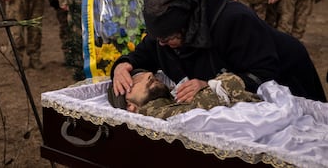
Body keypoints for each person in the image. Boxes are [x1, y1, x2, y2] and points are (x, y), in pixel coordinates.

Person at [110, 0, 327, 103]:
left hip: (286, 75)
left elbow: (264, 73)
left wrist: (211, 85)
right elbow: (143, 54)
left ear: (189, 27)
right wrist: (123, 64)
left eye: (167, 39)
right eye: (158, 39)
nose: (162, 45)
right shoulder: (165, 33)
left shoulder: (235, 21)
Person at [107, 69, 261, 119]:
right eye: (135, 82)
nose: (149, 75)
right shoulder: (154, 113)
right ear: (129, 106)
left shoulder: (165, 104)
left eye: (149, 74)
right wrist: (216, 84)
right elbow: (207, 105)